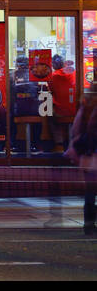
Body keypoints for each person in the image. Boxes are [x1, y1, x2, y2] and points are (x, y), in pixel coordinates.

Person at [65, 87, 97, 235]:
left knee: (90, 192)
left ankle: (89, 224)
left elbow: (75, 131)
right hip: (92, 153)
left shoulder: (85, 108)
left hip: (88, 156)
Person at [47, 55, 77, 151]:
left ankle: (58, 144)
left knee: (48, 114)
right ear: (64, 64)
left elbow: (50, 91)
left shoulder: (52, 76)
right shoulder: (74, 73)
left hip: (60, 111)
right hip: (75, 110)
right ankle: (71, 142)